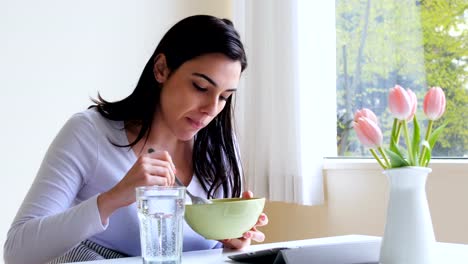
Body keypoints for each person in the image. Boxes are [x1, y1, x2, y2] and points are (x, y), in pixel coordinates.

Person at [4, 14, 268, 264]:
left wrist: (232, 242)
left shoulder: (219, 148)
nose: (211, 109)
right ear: (161, 69)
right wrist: (114, 197)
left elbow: (209, 252)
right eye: (200, 87)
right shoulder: (90, 133)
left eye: (224, 97)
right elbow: (17, 252)